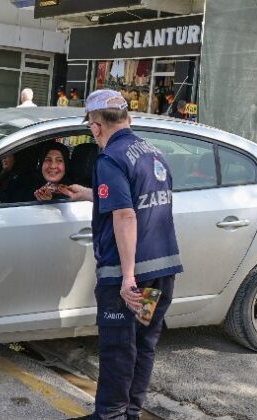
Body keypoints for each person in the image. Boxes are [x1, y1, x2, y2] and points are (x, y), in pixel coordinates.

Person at [63, 89, 183, 420]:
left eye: (91, 125)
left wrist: (127, 277)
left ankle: (110, 416)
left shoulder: (110, 158)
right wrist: (90, 195)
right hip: (161, 268)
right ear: (127, 119)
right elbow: (134, 198)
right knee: (142, 345)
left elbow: (126, 215)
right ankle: (128, 413)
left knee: (118, 349)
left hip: (129, 275)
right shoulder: (151, 153)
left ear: (96, 126)